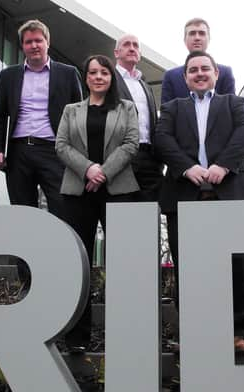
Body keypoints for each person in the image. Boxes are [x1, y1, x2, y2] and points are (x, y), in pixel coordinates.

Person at [155, 51, 244, 354]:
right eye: (193, 70)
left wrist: (222, 166)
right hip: (184, 195)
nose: (199, 73)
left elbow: (243, 135)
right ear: (185, 78)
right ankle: (193, 335)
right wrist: (188, 168)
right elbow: (162, 139)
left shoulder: (235, 103)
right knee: (187, 267)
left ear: (216, 73)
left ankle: (238, 333)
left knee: (236, 265)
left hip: (230, 192)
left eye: (205, 69)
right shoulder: (173, 108)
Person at [0, 19, 82, 290]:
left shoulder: (67, 73)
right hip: (18, 152)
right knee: (23, 218)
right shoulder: (9, 76)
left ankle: (64, 276)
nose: (34, 46)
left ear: (47, 42)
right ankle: (27, 281)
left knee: (62, 212)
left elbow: (77, 116)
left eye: (38, 40)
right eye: (28, 42)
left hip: (55, 152)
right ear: (23, 46)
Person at [56, 54, 139, 352]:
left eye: (104, 72)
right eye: (93, 72)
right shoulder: (71, 110)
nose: (98, 77)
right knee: (79, 264)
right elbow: (61, 145)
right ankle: (78, 338)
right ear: (86, 77)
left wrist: (102, 172)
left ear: (111, 77)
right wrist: (88, 169)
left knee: (124, 262)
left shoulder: (126, 108)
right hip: (78, 192)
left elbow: (131, 144)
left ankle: (126, 334)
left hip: (118, 190)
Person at [114, 34, 163, 202]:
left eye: (135, 45)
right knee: (122, 213)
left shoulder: (145, 85)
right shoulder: (109, 80)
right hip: (121, 158)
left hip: (149, 158)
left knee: (149, 215)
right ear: (116, 52)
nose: (132, 48)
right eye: (127, 44)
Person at [160, 18, 235, 104]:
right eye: (192, 33)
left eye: (202, 33)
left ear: (209, 39)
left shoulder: (225, 72)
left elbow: (231, 108)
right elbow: (166, 112)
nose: (197, 38)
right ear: (185, 40)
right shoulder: (171, 77)